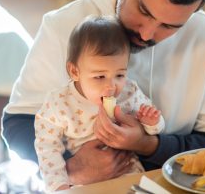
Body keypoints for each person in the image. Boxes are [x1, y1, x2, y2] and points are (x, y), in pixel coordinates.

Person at [2, 0, 205, 185]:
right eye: (144, 11)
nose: (146, 34)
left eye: (170, 26)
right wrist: (71, 168)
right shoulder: (61, 27)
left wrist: (148, 145)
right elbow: (17, 123)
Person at [34, 16, 164, 191]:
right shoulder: (59, 104)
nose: (112, 86)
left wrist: (153, 122)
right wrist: (59, 185)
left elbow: (155, 129)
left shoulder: (129, 92)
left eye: (119, 75)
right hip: (84, 182)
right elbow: (46, 147)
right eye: (99, 77)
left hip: (130, 176)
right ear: (74, 72)